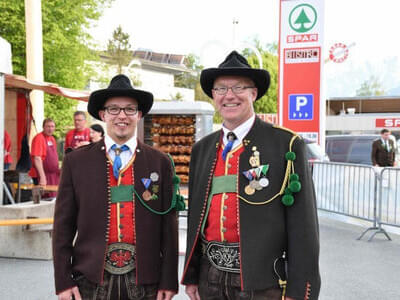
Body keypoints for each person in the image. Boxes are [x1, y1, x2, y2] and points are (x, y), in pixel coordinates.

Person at [182, 51, 320, 300]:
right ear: (213, 95)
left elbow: (303, 226)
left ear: (253, 93)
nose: (229, 95)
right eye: (221, 89)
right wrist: (191, 275)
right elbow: (196, 218)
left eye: (238, 88)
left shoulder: (286, 144)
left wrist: (300, 290)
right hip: (210, 277)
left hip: (263, 282)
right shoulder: (202, 148)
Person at [53, 74, 178, 300]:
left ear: (139, 115)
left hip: (146, 279)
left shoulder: (159, 162)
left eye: (130, 109)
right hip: (91, 278)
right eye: (114, 109)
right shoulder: (76, 162)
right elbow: (63, 227)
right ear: (103, 115)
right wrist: (63, 281)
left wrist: (169, 279)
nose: (122, 115)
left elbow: (169, 227)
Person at [28, 118, 60, 198]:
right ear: (43, 127)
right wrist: (42, 177)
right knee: (43, 199)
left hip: (52, 176)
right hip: (41, 175)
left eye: (52, 126)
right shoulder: (39, 138)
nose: (50, 129)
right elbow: (37, 158)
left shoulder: (52, 139)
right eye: (48, 126)